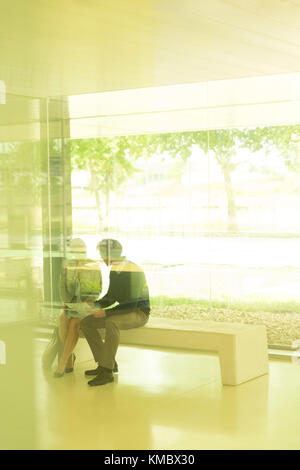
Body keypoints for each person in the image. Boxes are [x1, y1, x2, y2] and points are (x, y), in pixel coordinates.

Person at [80, 238, 150, 386]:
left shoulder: (132, 270)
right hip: (124, 310)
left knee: (112, 323)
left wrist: (105, 313)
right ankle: (107, 362)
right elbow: (112, 297)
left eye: (102, 253)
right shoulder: (115, 270)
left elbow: (130, 306)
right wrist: (95, 304)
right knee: (86, 323)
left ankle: (107, 371)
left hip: (138, 313)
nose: (101, 257)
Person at [53, 238, 102, 378]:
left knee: (74, 322)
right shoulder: (67, 264)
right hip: (71, 303)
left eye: (81, 249)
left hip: (87, 305)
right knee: (63, 319)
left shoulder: (93, 264)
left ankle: (63, 361)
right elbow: (62, 286)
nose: (78, 252)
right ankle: (69, 357)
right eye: (75, 250)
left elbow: (98, 288)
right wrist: (65, 302)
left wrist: (89, 302)